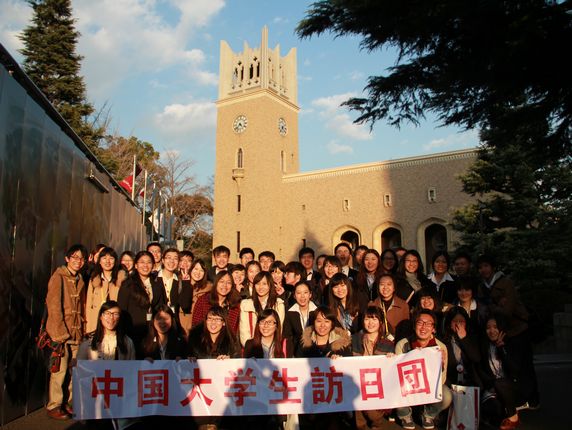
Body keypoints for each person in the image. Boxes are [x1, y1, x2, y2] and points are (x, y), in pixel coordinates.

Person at [477, 254, 539, 409]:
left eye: (486, 266)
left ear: (492, 267)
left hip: (517, 330)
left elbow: (508, 310)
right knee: (509, 368)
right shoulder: (482, 286)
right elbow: (483, 310)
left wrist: (492, 307)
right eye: (480, 267)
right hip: (500, 332)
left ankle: (533, 400)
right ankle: (517, 400)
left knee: (524, 367)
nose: (483, 270)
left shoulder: (505, 283)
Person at [77, 300, 136, 430]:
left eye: (116, 314)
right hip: (95, 400)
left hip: (119, 398)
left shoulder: (127, 342)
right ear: (100, 316)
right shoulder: (88, 342)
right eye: (107, 313)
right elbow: (79, 374)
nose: (111, 318)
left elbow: (132, 371)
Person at [45, 244, 88, 420]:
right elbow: (53, 305)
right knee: (59, 370)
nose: (78, 261)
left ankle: (69, 403)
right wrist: (60, 333)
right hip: (62, 333)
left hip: (77, 332)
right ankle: (54, 404)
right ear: (67, 258)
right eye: (75, 257)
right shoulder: (58, 277)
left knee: (74, 369)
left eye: (81, 258)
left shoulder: (80, 279)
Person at [394, 310, 452, 430]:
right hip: (408, 386)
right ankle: (405, 415)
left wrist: (440, 365)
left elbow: (443, 379)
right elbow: (396, 376)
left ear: (434, 329)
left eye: (428, 324)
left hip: (429, 388)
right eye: (420, 323)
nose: (423, 327)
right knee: (395, 389)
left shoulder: (440, 347)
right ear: (414, 326)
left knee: (446, 396)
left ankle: (428, 415)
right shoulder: (402, 344)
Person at [298, 306, 352, 430]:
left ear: (332, 323)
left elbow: (350, 371)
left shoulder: (342, 346)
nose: (322, 325)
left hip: (335, 402)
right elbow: (297, 368)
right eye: (319, 321)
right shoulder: (303, 344)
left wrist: (340, 362)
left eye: (327, 321)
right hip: (311, 400)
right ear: (313, 323)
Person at [187, 306, 240, 430]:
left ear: (223, 323)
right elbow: (185, 363)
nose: (213, 322)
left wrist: (230, 360)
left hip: (222, 393)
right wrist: (189, 360)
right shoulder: (195, 339)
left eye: (217, 319)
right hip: (200, 393)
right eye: (210, 319)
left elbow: (238, 365)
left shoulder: (231, 341)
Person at [351, 306, 394, 430]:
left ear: (380, 322)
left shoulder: (388, 343)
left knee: (373, 415)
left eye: (375, 319)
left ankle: (377, 424)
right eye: (367, 319)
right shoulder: (353, 340)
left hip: (378, 386)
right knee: (358, 402)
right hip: (358, 384)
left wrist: (392, 359)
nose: (370, 323)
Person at [117, 250, 166, 357]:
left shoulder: (157, 284)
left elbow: (162, 309)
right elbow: (122, 311)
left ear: (153, 265)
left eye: (149, 262)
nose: (145, 265)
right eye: (142, 262)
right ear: (136, 265)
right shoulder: (127, 285)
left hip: (152, 332)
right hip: (133, 331)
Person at [478, 315, 521, 429]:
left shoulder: (510, 343)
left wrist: (501, 348)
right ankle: (503, 415)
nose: (492, 331)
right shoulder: (484, 346)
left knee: (500, 382)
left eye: (495, 327)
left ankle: (513, 417)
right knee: (492, 408)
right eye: (488, 328)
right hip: (492, 388)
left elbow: (515, 370)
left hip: (511, 386)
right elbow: (481, 371)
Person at [85, 247, 128, 336]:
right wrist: (89, 327)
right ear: (99, 261)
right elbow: (89, 305)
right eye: (104, 258)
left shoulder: (122, 280)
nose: (107, 261)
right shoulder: (94, 279)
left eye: (111, 258)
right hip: (96, 325)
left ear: (115, 261)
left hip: (115, 323)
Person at [239, 271, 285, 346]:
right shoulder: (246, 304)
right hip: (251, 349)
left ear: (270, 286)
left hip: (272, 348)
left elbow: (279, 329)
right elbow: (244, 332)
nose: (260, 287)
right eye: (257, 284)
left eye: (264, 284)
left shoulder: (278, 304)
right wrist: (251, 347)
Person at [192, 270, 241, 335]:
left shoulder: (235, 306)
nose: (225, 285)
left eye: (228, 283)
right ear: (216, 283)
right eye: (221, 281)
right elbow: (196, 325)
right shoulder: (203, 300)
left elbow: (234, 331)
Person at [442, 307, 481, 387]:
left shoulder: (473, 338)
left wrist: (464, 338)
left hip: (471, 382)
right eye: (455, 321)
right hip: (451, 383)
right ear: (450, 324)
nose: (458, 324)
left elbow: (476, 358)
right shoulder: (444, 342)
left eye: (461, 321)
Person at [369, 274, 410, 343]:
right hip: (377, 343)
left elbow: (406, 329)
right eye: (382, 284)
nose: (385, 287)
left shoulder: (403, 305)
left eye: (389, 284)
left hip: (398, 343)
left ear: (394, 288)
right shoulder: (372, 305)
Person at [283, 281, 318, 355]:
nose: (302, 296)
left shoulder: (318, 312)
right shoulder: (290, 313)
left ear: (310, 294)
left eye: (305, 292)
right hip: (297, 353)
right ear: (294, 296)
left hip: (317, 352)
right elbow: (287, 336)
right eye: (298, 293)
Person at [178, 258, 210, 338]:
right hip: (181, 326)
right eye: (196, 269)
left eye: (201, 270)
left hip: (198, 328)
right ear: (191, 269)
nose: (198, 273)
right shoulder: (179, 284)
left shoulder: (208, 288)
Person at [156, 248, 181, 314]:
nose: (172, 261)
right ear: (163, 260)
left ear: (178, 262)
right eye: (168, 257)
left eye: (175, 259)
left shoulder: (180, 281)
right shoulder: (154, 278)